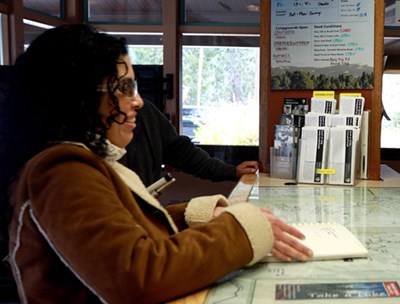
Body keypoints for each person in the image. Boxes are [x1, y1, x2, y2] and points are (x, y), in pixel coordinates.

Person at [0, 24, 312, 303]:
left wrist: (196, 216)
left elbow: (128, 229)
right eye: (123, 88)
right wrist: (242, 230)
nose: (137, 101)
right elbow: (137, 276)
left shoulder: (80, 161)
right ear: (79, 98)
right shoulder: (62, 172)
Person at [123, 99, 259, 187]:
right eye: (124, 87)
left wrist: (232, 171)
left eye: (133, 86)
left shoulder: (146, 113)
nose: (137, 100)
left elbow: (183, 153)